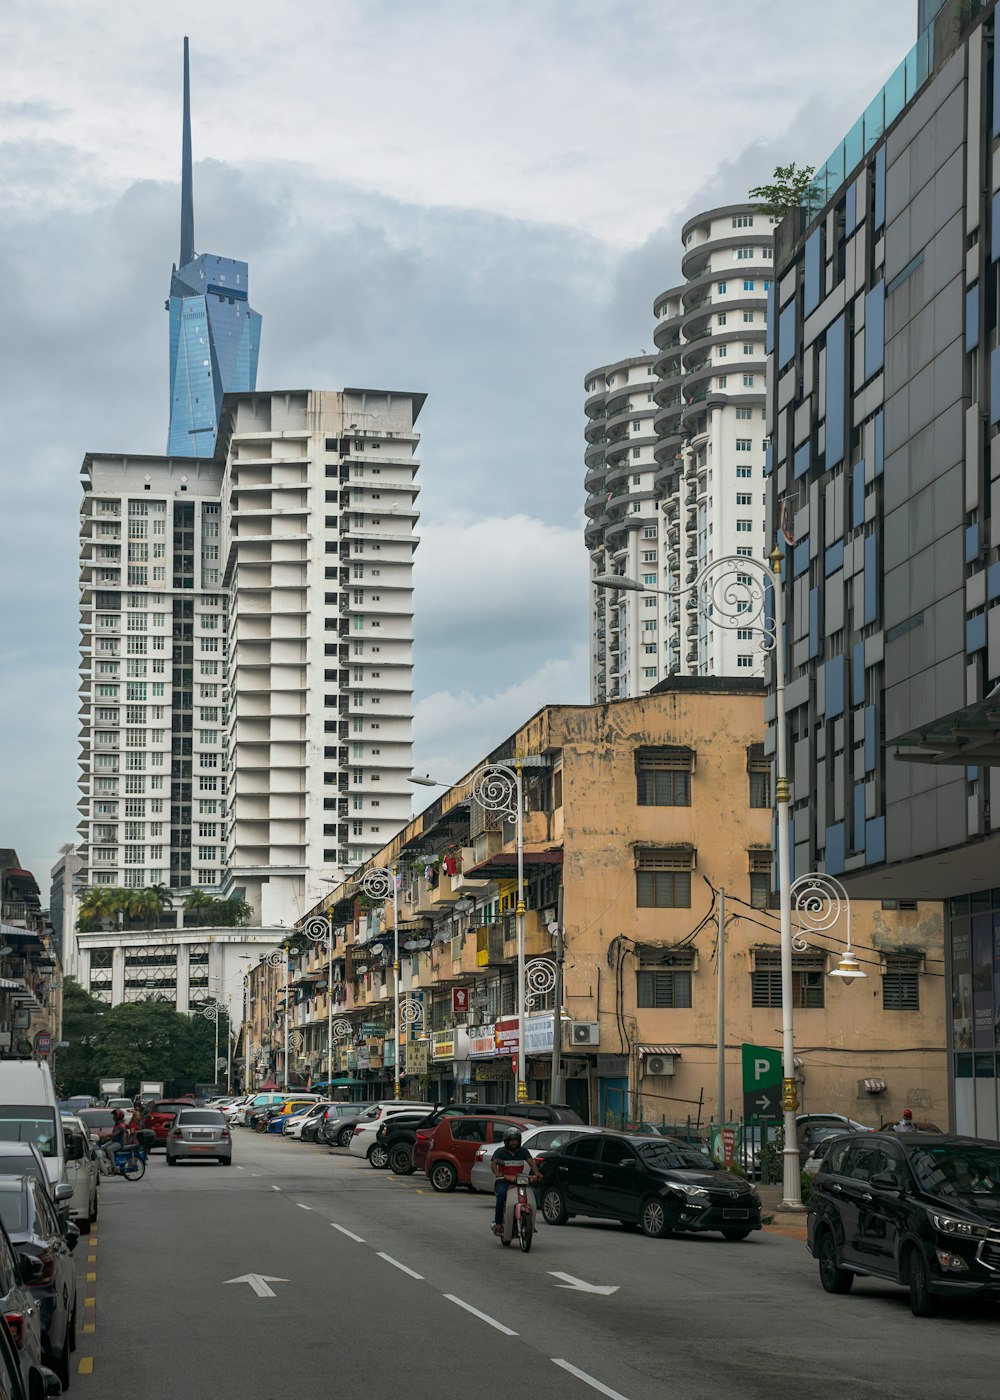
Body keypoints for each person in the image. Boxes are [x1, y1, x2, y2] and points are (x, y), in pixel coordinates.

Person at [490, 1128, 540, 1237]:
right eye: (512, 1140)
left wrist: (536, 1174)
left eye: (516, 1140)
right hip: (504, 1182)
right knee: (501, 1195)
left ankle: (530, 1222)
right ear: (506, 1141)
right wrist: (498, 1173)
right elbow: (493, 1165)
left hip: (520, 1181)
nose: (514, 1142)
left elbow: (531, 1163)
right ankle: (498, 1223)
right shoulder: (500, 1151)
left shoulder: (523, 1151)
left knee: (534, 1193)